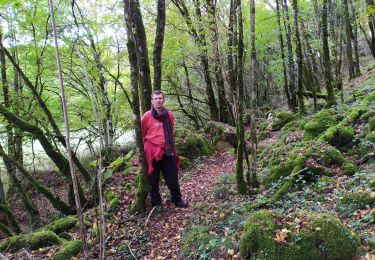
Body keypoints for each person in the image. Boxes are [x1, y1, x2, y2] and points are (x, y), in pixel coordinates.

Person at [141, 90, 188, 208]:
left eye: (160, 98)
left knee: (172, 176)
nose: (158, 100)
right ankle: (156, 204)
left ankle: (177, 200)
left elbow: (170, 133)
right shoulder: (146, 117)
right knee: (153, 179)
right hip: (151, 152)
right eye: (156, 99)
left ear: (163, 100)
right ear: (152, 101)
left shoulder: (169, 115)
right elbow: (142, 135)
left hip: (167, 150)